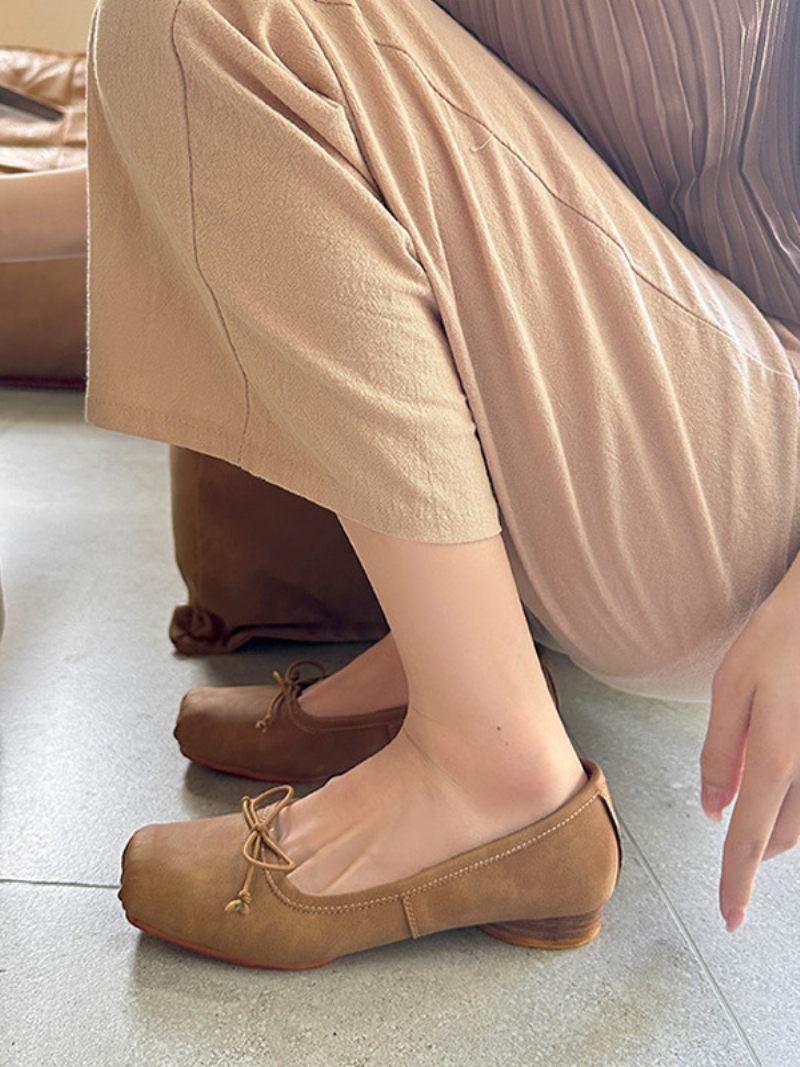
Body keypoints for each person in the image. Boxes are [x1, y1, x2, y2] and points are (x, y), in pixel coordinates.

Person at [11, 0, 798, 967]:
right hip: (652, 406)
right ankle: (464, 663)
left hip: (761, 486)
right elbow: (288, 113)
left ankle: (491, 767)